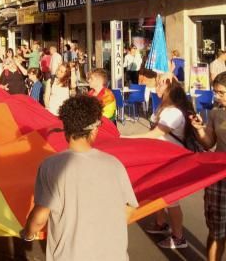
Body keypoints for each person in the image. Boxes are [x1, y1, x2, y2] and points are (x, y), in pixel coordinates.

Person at [21, 95, 138, 261]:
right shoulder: (114, 165)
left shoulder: (51, 166)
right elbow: (129, 208)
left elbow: (40, 218)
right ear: (94, 130)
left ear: (66, 129)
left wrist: (28, 234)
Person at [124, 75, 193, 248]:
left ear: (168, 87)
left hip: (172, 159)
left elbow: (155, 133)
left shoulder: (174, 111)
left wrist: (127, 138)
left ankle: (179, 237)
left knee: (171, 200)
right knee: (160, 193)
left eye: (159, 84)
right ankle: (161, 223)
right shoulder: (165, 108)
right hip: (161, 157)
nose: (155, 87)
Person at [191, 72, 226, 261]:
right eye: (216, 92)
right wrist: (199, 129)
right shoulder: (215, 112)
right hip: (220, 178)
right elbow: (209, 143)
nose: (217, 97)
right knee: (216, 231)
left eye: (222, 93)